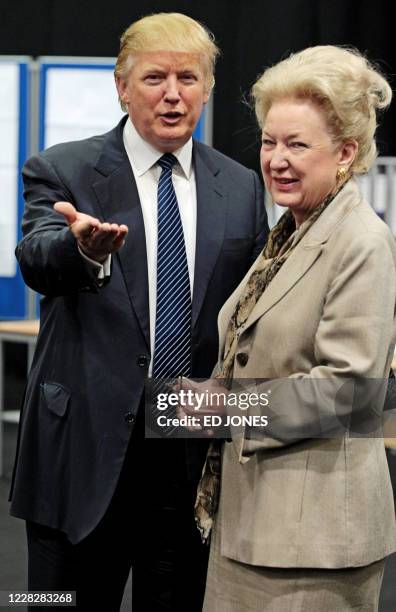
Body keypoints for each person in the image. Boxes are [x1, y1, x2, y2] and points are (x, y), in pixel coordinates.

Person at [9, 12, 268, 612]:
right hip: (82, 456)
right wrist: (80, 249)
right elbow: (37, 256)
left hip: (188, 455)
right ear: (122, 87)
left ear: (207, 87)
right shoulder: (64, 168)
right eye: (155, 78)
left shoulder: (242, 187)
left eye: (189, 77)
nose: (173, 94)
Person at [184, 46, 396, 611]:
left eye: (297, 145)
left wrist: (230, 412)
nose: (276, 159)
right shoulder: (291, 230)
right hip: (251, 525)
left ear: (347, 153)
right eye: (269, 142)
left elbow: (349, 388)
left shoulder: (361, 242)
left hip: (313, 542)